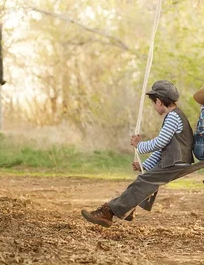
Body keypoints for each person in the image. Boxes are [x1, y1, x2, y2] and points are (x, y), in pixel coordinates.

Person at [81, 80, 194, 227]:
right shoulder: (175, 115)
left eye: (153, 103)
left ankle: (108, 212)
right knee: (145, 180)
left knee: (143, 182)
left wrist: (139, 145)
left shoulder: (173, 117)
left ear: (159, 101)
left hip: (176, 162)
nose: (154, 107)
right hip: (175, 161)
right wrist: (145, 165)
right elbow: (164, 148)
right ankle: (127, 209)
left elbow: (160, 142)